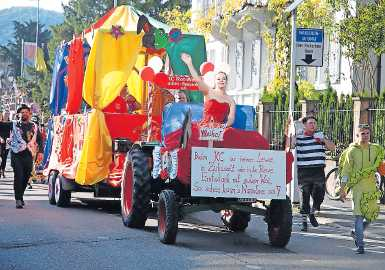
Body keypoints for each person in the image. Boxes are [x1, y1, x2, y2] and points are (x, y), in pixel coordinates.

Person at [340, 124, 384, 254]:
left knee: (370, 217)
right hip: (357, 188)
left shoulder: (376, 149)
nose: (365, 136)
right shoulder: (352, 151)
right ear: (357, 135)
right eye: (362, 134)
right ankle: (361, 245)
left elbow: (381, 164)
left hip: (371, 186)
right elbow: (346, 171)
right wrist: (343, 188)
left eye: (367, 133)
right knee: (358, 216)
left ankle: (355, 233)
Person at [294, 116, 335, 232]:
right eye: (310, 123)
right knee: (305, 196)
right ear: (305, 125)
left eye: (314, 123)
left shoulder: (321, 135)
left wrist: (323, 140)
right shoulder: (299, 137)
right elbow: (291, 145)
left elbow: (332, 148)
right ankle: (304, 222)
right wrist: (293, 134)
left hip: (318, 170)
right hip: (304, 170)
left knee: (320, 194)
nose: (313, 125)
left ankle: (312, 212)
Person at [0, 104, 43, 209]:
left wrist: (40, 152)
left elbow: (40, 139)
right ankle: (18, 199)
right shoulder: (13, 124)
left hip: (28, 154)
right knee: (18, 176)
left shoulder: (34, 126)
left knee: (26, 176)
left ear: (29, 113)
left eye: (26, 112)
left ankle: (21, 195)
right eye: (22, 112)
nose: (24, 114)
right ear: (19, 114)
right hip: (16, 154)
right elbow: (1, 125)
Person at [0, 111, 11, 178]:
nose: (6, 116)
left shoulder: (10, 123)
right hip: (0, 142)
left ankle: (3, 171)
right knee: (0, 157)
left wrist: (10, 139)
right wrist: (0, 138)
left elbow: (13, 132)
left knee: (4, 157)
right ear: (2, 115)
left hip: (7, 142)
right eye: (5, 114)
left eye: (7, 114)